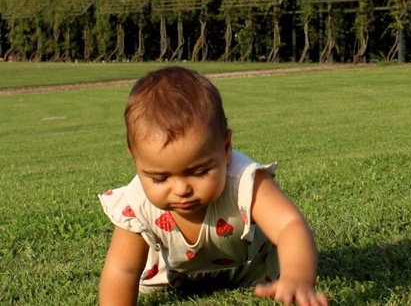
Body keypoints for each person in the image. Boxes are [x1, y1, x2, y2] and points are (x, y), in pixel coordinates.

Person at [98, 66, 328, 306]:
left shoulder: (243, 182)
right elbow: (122, 269)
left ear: (226, 148)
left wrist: (297, 277)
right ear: (135, 159)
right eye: (159, 178)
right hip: (173, 278)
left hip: (250, 275)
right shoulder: (137, 201)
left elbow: (289, 226)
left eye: (199, 171)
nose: (180, 189)